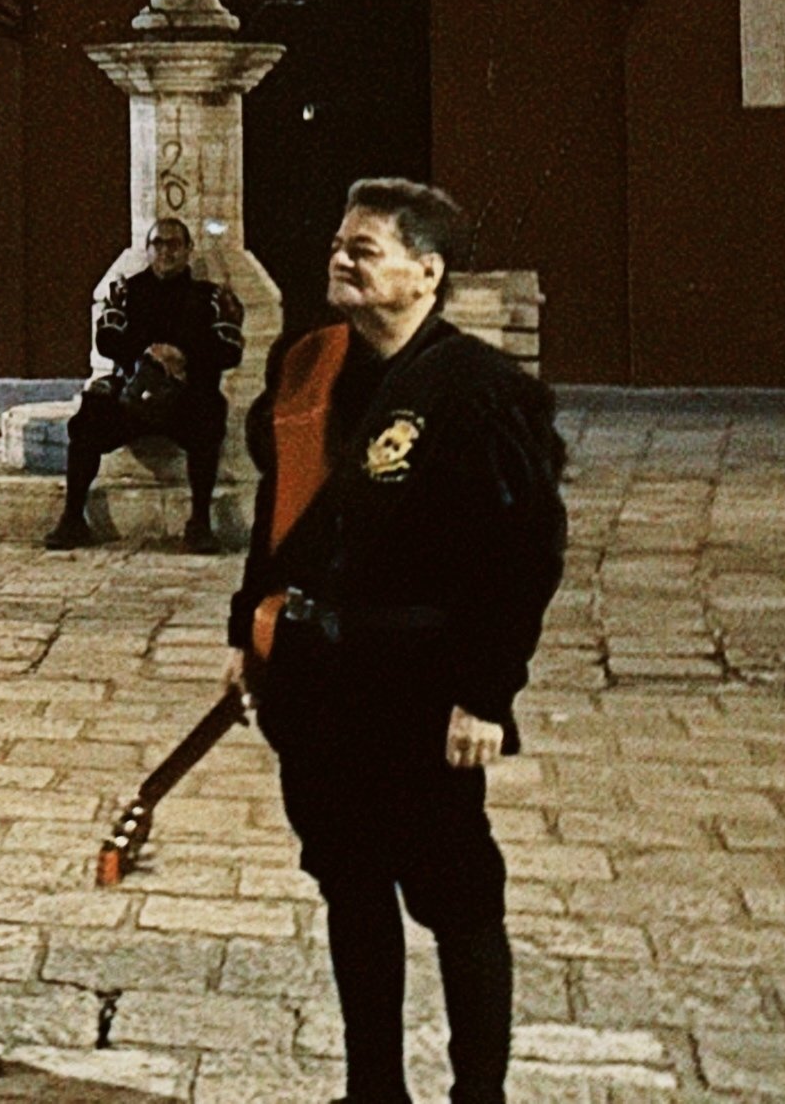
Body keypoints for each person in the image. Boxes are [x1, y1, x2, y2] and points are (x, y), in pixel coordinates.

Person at [225, 178, 567, 1104]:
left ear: (427, 272)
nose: (342, 259)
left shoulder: (481, 393)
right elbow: (279, 518)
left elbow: (525, 556)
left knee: (457, 902)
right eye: (339, 243)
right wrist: (247, 630)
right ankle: (373, 1089)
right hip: (318, 683)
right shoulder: (307, 366)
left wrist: (488, 696)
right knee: (350, 887)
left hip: (419, 690)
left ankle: (477, 1098)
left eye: (365, 249)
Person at [50, 216, 247, 552]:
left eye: (174, 244)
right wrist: (148, 353)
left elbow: (229, 349)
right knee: (90, 414)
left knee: (210, 410)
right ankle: (72, 519)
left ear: (188, 250)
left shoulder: (209, 296)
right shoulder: (127, 291)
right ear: (147, 249)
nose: (166, 251)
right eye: (158, 244)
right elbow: (107, 339)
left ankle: (199, 523)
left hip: (184, 398)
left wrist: (182, 356)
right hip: (133, 396)